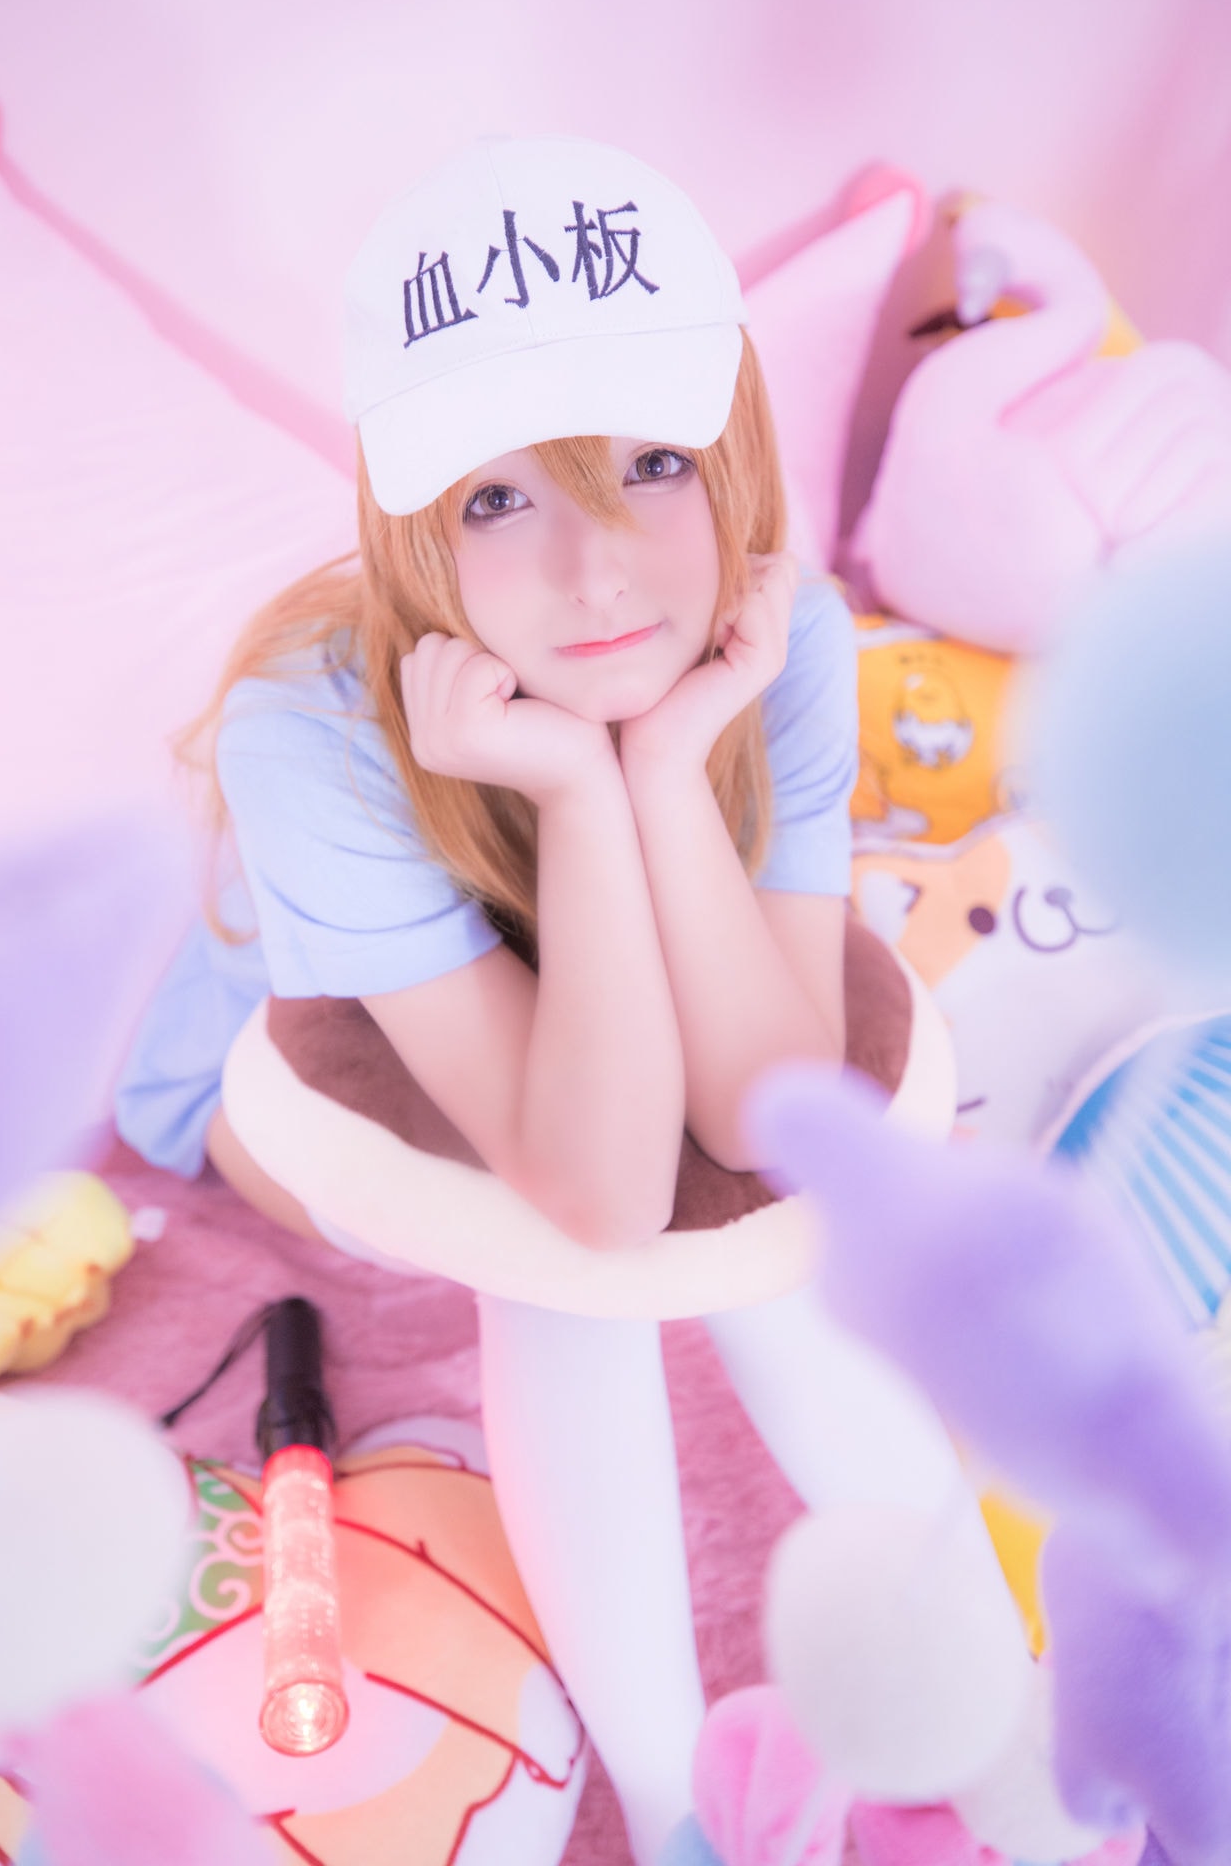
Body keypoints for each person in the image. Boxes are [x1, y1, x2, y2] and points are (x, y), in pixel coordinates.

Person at [117, 137, 1032, 1865]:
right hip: (307, 1076)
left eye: (653, 464)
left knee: (778, 1261)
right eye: (496, 499)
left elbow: (768, 1117)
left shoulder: (776, 633)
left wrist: (666, 769)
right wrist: (570, 788)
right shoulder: (310, 727)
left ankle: (1006, 1732)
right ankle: (678, 1807)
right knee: (572, 1288)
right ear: (411, 527)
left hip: (601, 980)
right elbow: (598, 1201)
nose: (599, 571)